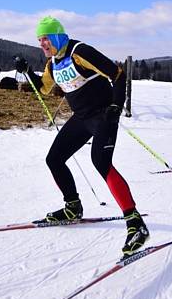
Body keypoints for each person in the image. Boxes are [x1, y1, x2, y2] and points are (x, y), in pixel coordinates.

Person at [14, 16, 149, 257]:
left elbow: (117, 74)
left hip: (103, 116)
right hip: (81, 118)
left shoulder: (80, 51)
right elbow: (44, 88)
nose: (42, 44)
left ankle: (135, 222)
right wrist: (26, 73)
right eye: (39, 40)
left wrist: (116, 106)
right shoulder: (52, 64)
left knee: (100, 161)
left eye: (45, 39)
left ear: (56, 37)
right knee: (54, 159)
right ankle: (72, 207)